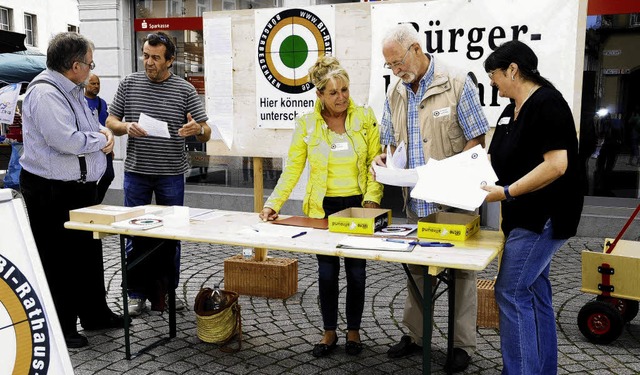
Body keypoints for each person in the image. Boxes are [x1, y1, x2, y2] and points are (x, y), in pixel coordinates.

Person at [374, 24, 489, 372]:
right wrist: (385, 158)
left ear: (416, 49)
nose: (396, 71)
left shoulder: (455, 81)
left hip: (454, 203)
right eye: (390, 66)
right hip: (417, 202)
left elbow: (477, 138)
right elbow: (390, 141)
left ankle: (461, 345)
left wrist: (449, 175)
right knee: (416, 270)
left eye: (398, 62)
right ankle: (415, 335)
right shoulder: (396, 92)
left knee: (461, 276)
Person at [259, 55, 383, 357]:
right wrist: (272, 204)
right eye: (333, 92)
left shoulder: (365, 118)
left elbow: (376, 163)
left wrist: (371, 201)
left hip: (357, 205)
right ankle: (329, 331)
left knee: (357, 272)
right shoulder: (307, 124)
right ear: (319, 95)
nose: (341, 97)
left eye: (344, 90)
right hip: (322, 209)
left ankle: (353, 331)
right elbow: (293, 169)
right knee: (327, 273)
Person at [19, 32, 127, 349]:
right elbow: (64, 139)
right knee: (58, 259)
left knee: (87, 254)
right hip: (51, 191)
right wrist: (101, 140)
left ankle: (95, 314)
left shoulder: (73, 89)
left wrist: (101, 131)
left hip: (79, 189)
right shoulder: (45, 94)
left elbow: (88, 126)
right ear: (76, 66)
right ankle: (61, 326)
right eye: (90, 64)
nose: (93, 71)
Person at [481, 40, 583, 374]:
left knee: (510, 291)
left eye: (494, 74)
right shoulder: (511, 109)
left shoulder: (548, 104)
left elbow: (556, 165)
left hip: (544, 217)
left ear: (513, 69)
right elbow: (493, 158)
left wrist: (506, 192)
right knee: (535, 292)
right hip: (521, 216)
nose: (492, 82)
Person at [106, 31, 211, 316]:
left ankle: (167, 293)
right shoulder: (129, 83)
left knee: (171, 236)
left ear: (170, 61)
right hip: (136, 172)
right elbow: (111, 120)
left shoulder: (185, 90)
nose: (148, 62)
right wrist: (126, 127)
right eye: (145, 55)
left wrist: (197, 130)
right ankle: (136, 294)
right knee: (134, 234)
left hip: (171, 174)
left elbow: (206, 131)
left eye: (155, 57)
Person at [84, 73, 114, 203]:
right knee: (90, 177)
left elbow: (106, 124)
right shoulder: (81, 101)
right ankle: (90, 202)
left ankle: (96, 201)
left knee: (108, 175)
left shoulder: (102, 103)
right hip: (89, 144)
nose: (96, 86)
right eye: (93, 83)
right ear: (85, 84)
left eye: (98, 84)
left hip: (103, 145)